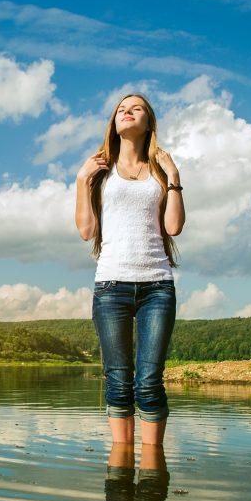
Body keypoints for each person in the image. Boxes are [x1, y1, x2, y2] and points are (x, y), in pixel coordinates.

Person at [74, 93, 185, 445]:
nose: (127, 112)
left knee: (150, 380)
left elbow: (173, 227)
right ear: (114, 123)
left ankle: (153, 466)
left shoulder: (159, 171)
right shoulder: (99, 172)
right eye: (122, 109)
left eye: (135, 108)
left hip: (157, 287)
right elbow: (86, 231)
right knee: (119, 380)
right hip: (110, 286)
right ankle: (120, 465)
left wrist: (174, 176)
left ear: (147, 122)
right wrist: (81, 181)